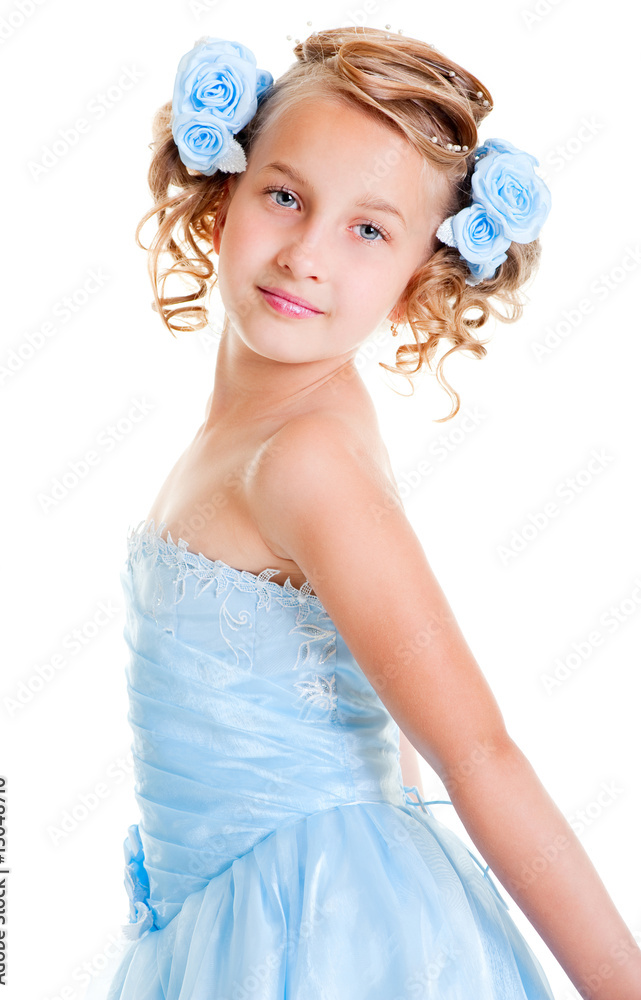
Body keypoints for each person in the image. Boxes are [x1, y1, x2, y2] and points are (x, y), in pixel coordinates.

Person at [83, 25, 641, 1000]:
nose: (306, 254)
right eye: (285, 196)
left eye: (368, 230)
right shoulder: (277, 426)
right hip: (227, 911)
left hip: (312, 925)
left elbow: (476, 752)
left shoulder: (305, 457)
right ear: (221, 196)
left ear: (419, 274)